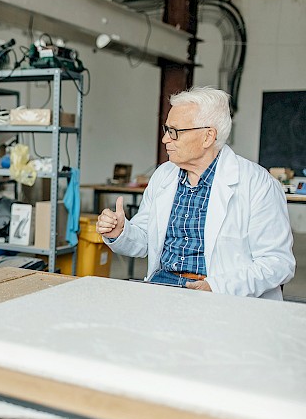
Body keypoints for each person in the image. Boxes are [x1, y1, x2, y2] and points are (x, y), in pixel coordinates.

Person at [96, 86, 295, 299]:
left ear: (208, 137)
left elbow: (278, 262)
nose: (165, 140)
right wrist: (121, 232)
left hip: (220, 294)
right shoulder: (164, 175)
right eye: (166, 130)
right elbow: (146, 241)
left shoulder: (257, 183)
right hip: (162, 285)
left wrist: (217, 286)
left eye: (174, 132)